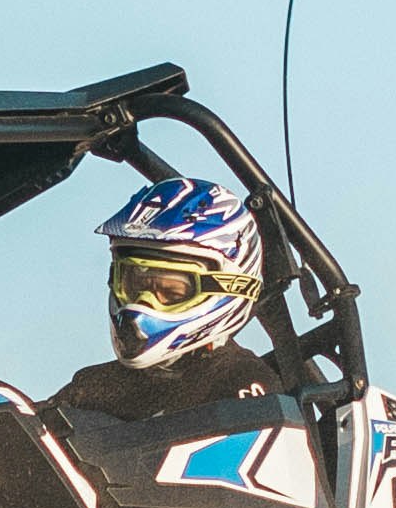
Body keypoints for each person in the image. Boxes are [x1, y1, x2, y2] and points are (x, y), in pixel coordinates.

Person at [59, 169, 270, 423]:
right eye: (134, 286)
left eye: (170, 292)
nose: (144, 303)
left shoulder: (242, 384)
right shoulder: (93, 389)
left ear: (230, 288)